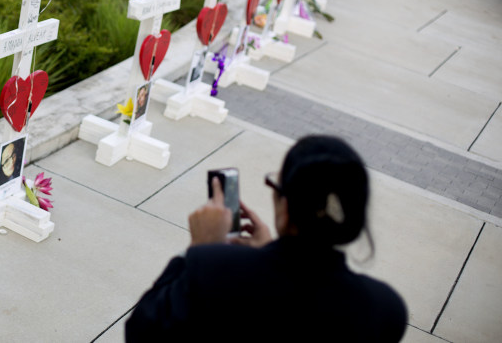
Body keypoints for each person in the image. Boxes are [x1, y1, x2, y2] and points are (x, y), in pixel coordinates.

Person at [125, 135, 407, 342]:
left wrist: (201, 248)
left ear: (285, 208)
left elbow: (141, 331)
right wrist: (269, 251)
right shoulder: (386, 309)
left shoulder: (214, 268)